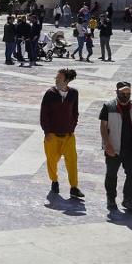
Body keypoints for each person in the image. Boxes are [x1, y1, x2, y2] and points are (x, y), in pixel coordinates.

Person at [100, 81, 132, 215]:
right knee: (111, 175)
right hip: (114, 148)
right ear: (117, 92)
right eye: (123, 93)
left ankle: (128, 200)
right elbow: (103, 127)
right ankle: (111, 199)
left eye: (128, 93)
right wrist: (107, 145)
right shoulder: (108, 106)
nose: (126, 96)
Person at [40, 68, 83, 199]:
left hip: (69, 135)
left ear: (67, 80)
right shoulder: (50, 93)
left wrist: (73, 125)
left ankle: (74, 187)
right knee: (52, 160)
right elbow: (44, 114)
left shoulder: (74, 93)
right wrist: (46, 131)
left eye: (59, 78)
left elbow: (75, 111)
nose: (56, 80)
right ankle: (54, 181)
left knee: (72, 161)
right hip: (52, 134)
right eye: (56, 78)